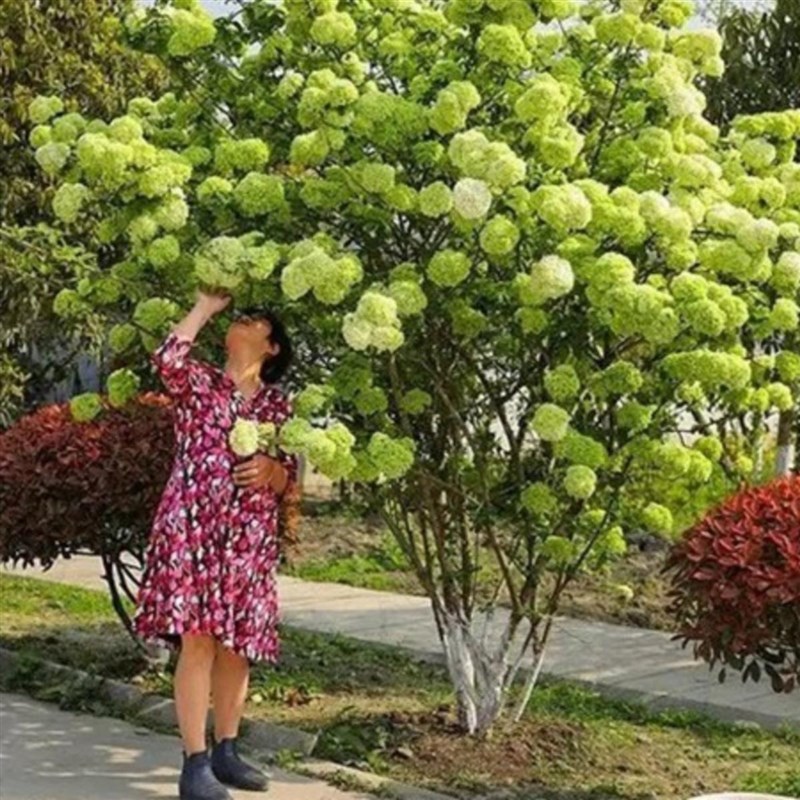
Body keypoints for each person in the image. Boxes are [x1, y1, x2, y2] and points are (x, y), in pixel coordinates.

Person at [132, 291, 297, 800]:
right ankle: (194, 762)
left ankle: (227, 751)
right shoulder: (200, 382)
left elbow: (290, 473)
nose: (240, 323)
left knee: (236, 646)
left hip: (247, 538)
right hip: (192, 527)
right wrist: (204, 307)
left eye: (253, 321)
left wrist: (274, 471)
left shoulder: (278, 405)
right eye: (239, 318)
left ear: (271, 347)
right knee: (198, 639)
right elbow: (167, 359)